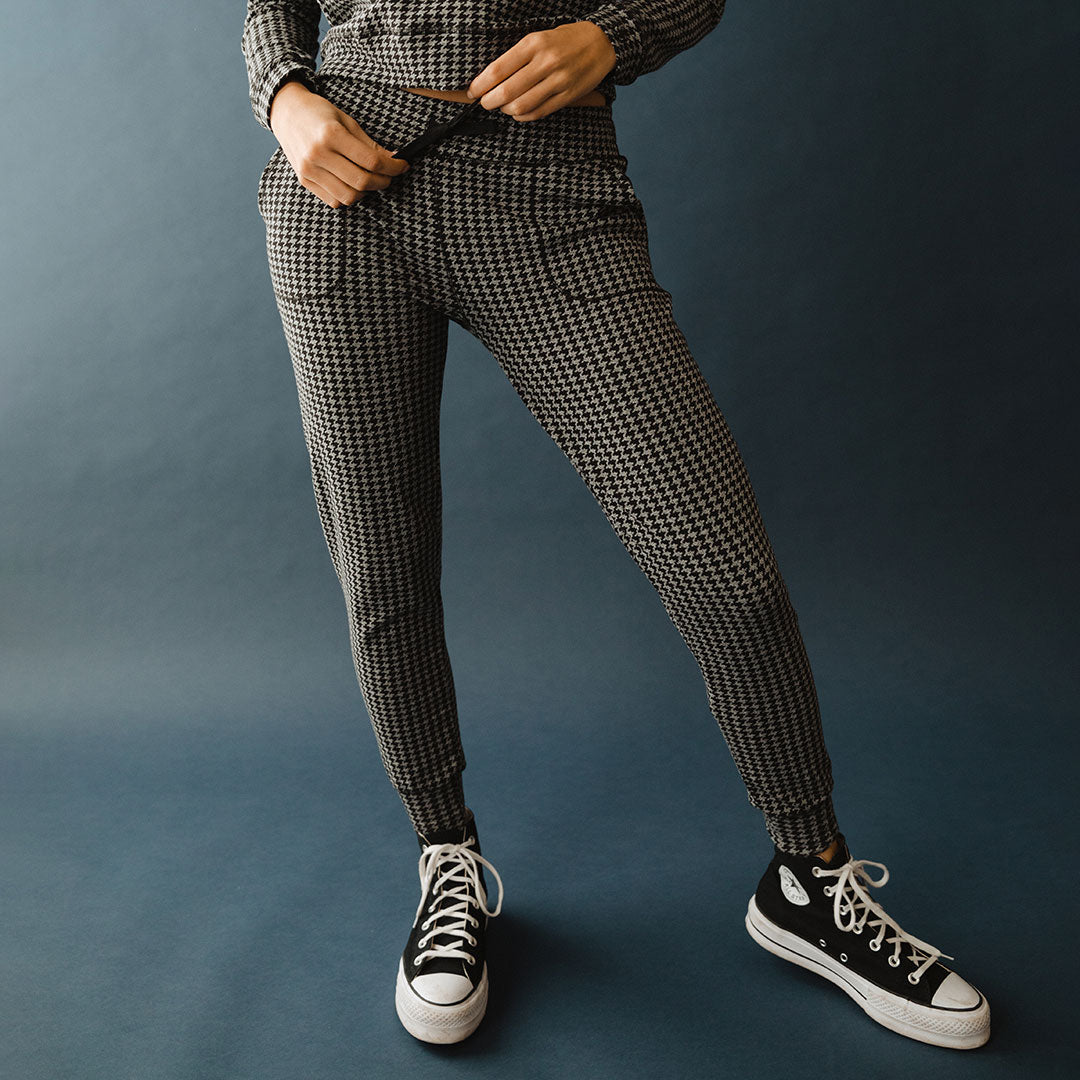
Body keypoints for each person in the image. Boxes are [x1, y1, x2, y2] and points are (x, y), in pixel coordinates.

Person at [241, 0, 990, 1050]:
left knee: (727, 572)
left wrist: (615, 34)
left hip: (546, 190)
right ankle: (446, 857)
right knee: (381, 567)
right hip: (345, 189)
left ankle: (809, 880)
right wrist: (283, 94)